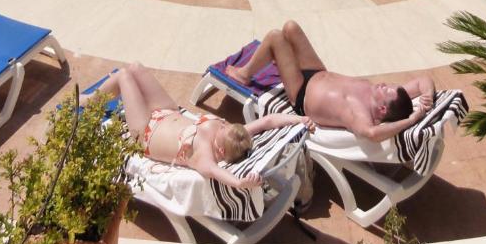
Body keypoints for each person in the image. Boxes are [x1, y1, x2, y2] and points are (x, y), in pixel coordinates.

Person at [81, 63, 313, 189]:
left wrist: (242, 183)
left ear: (220, 150)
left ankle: (91, 102)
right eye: (224, 124)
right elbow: (268, 122)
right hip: (167, 112)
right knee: (136, 69)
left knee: (124, 76)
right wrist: (300, 120)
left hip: (144, 132)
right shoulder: (234, 136)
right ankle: (98, 96)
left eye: (222, 127)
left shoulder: (204, 156)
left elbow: (218, 173)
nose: (222, 124)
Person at [225, 21, 434, 142]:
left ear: (381, 110)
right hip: (317, 71)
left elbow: (372, 134)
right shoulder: (389, 99)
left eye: (386, 89)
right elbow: (423, 80)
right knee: (290, 28)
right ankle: (277, 59)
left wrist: (412, 120)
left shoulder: (360, 114)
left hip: (301, 93)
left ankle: (245, 74)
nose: (383, 84)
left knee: (275, 37)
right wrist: (427, 97)